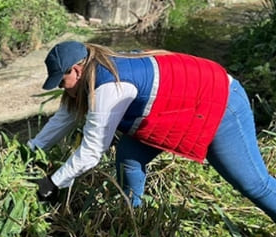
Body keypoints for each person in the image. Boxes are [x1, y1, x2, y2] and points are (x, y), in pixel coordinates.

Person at [30, 40, 276, 222]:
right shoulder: (94, 71)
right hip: (176, 108)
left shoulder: (109, 84)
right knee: (128, 156)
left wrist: (53, 182)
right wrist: (31, 150)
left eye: (62, 82)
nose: (63, 88)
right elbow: (65, 118)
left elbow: (93, 150)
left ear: (76, 69)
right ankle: (132, 218)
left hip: (219, 102)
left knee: (254, 184)